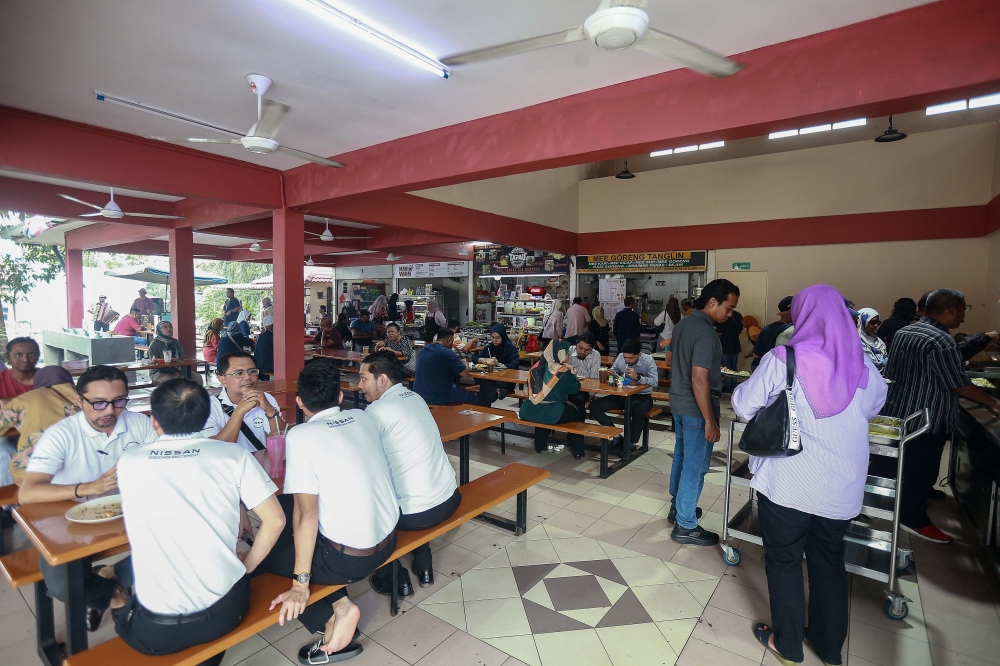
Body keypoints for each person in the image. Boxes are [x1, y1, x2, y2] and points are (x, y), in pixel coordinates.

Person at [731, 285, 888, 666]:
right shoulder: (864, 367)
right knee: (828, 562)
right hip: (841, 486)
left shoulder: (783, 358)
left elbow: (741, 404)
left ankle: (787, 645)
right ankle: (828, 646)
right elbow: (873, 408)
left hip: (788, 481)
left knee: (784, 560)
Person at [114, 379, 285, 664]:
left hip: (155, 632)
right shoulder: (233, 456)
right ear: (207, 417)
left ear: (154, 421)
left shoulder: (129, 461)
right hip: (225, 614)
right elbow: (275, 521)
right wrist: (246, 568)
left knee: (127, 602)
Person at [258, 359, 398, 664]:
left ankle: (338, 610)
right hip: (390, 540)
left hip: (351, 560)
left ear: (299, 402)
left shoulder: (301, 436)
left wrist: (300, 584)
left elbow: (306, 516)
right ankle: (337, 603)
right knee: (290, 519)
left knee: (272, 552)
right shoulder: (361, 417)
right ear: (339, 397)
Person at [19, 365, 155, 631]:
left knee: (175, 542)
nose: (110, 411)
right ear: (79, 401)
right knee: (61, 585)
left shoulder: (138, 424)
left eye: (119, 401)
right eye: (99, 403)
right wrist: (86, 488)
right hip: (70, 520)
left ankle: (109, 573)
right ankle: (115, 594)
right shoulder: (62, 435)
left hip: (126, 512)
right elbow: (28, 492)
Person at [883, 289, 1000, 543]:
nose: (963, 317)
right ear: (950, 310)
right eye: (963, 310)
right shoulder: (941, 340)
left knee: (911, 464)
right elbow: (958, 384)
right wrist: (993, 403)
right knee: (922, 466)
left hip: (902, 410)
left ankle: (918, 493)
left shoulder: (906, 331)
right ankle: (914, 519)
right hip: (928, 416)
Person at [360, 352, 461, 595]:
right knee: (410, 482)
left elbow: (364, 465)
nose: (360, 386)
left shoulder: (377, 412)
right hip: (449, 498)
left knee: (363, 503)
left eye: (364, 379)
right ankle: (424, 564)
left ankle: (395, 578)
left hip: (418, 515)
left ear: (382, 380)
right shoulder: (415, 397)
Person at [666, 278, 740, 546]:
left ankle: (678, 508)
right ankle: (685, 525)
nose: (729, 314)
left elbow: (670, 359)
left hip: (678, 403)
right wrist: (710, 420)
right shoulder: (707, 333)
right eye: (728, 308)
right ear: (712, 302)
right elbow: (699, 378)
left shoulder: (684, 323)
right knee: (695, 468)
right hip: (697, 409)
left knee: (682, 458)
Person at [4, 366, 80, 487]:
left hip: (32, 472)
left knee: (5, 450)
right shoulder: (84, 396)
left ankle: (10, 504)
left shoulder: (29, 397)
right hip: (80, 470)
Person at [204, 351, 287, 455]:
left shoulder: (266, 398)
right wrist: (239, 411)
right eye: (239, 373)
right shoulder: (208, 407)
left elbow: (281, 439)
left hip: (258, 464)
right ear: (222, 379)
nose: (248, 377)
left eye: (252, 371)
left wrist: (270, 410)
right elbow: (216, 450)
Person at [590, 338, 658, 455]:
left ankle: (631, 443)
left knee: (638, 412)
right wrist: (609, 373)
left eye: (631, 358)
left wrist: (638, 377)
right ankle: (616, 436)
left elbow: (655, 382)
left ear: (639, 354)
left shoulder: (648, 360)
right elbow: (614, 370)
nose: (627, 360)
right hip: (622, 394)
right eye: (625, 357)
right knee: (595, 406)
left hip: (642, 396)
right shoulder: (621, 356)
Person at [521, 340, 587, 458]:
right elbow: (574, 389)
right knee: (579, 412)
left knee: (542, 409)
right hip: (553, 412)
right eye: (566, 353)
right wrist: (572, 374)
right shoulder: (562, 372)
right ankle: (578, 451)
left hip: (529, 410)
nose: (568, 356)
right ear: (559, 354)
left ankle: (540, 445)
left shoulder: (535, 367)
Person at [413, 328, 477, 406]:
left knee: (460, 390)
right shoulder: (447, 352)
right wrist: (465, 362)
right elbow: (465, 374)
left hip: (419, 394)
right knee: (473, 398)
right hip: (437, 396)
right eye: (453, 341)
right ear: (449, 340)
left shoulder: (423, 350)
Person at [472, 324, 519, 406]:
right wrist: (481, 359)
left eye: (497, 338)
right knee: (479, 377)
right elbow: (475, 359)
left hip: (506, 379)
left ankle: (484, 411)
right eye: (492, 337)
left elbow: (515, 364)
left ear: (503, 336)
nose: (494, 340)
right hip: (491, 379)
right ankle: (497, 390)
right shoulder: (489, 348)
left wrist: (499, 364)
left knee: (483, 387)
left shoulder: (511, 348)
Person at [148, 321, 203, 386]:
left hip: (178, 370)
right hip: (159, 372)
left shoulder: (175, 342)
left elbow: (181, 358)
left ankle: (197, 395)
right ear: (159, 330)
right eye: (165, 327)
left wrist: (180, 369)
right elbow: (155, 363)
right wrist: (174, 372)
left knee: (197, 377)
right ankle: (175, 396)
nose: (169, 329)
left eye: (170, 327)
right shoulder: (155, 344)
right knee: (175, 380)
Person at [752, 296, 793, 369]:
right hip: (780, 371)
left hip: (763, 368)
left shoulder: (766, 329)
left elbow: (756, 355)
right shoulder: (792, 330)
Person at [718, 307, 744, 391]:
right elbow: (740, 330)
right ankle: (733, 385)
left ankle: (727, 386)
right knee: (734, 366)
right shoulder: (738, 315)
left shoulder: (723, 315)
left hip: (725, 344)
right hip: (735, 344)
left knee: (726, 368)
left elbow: (719, 332)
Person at [857, 308, 888, 372]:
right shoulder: (856, 342)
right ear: (862, 321)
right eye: (873, 322)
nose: (876, 325)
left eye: (878, 323)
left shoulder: (878, 341)